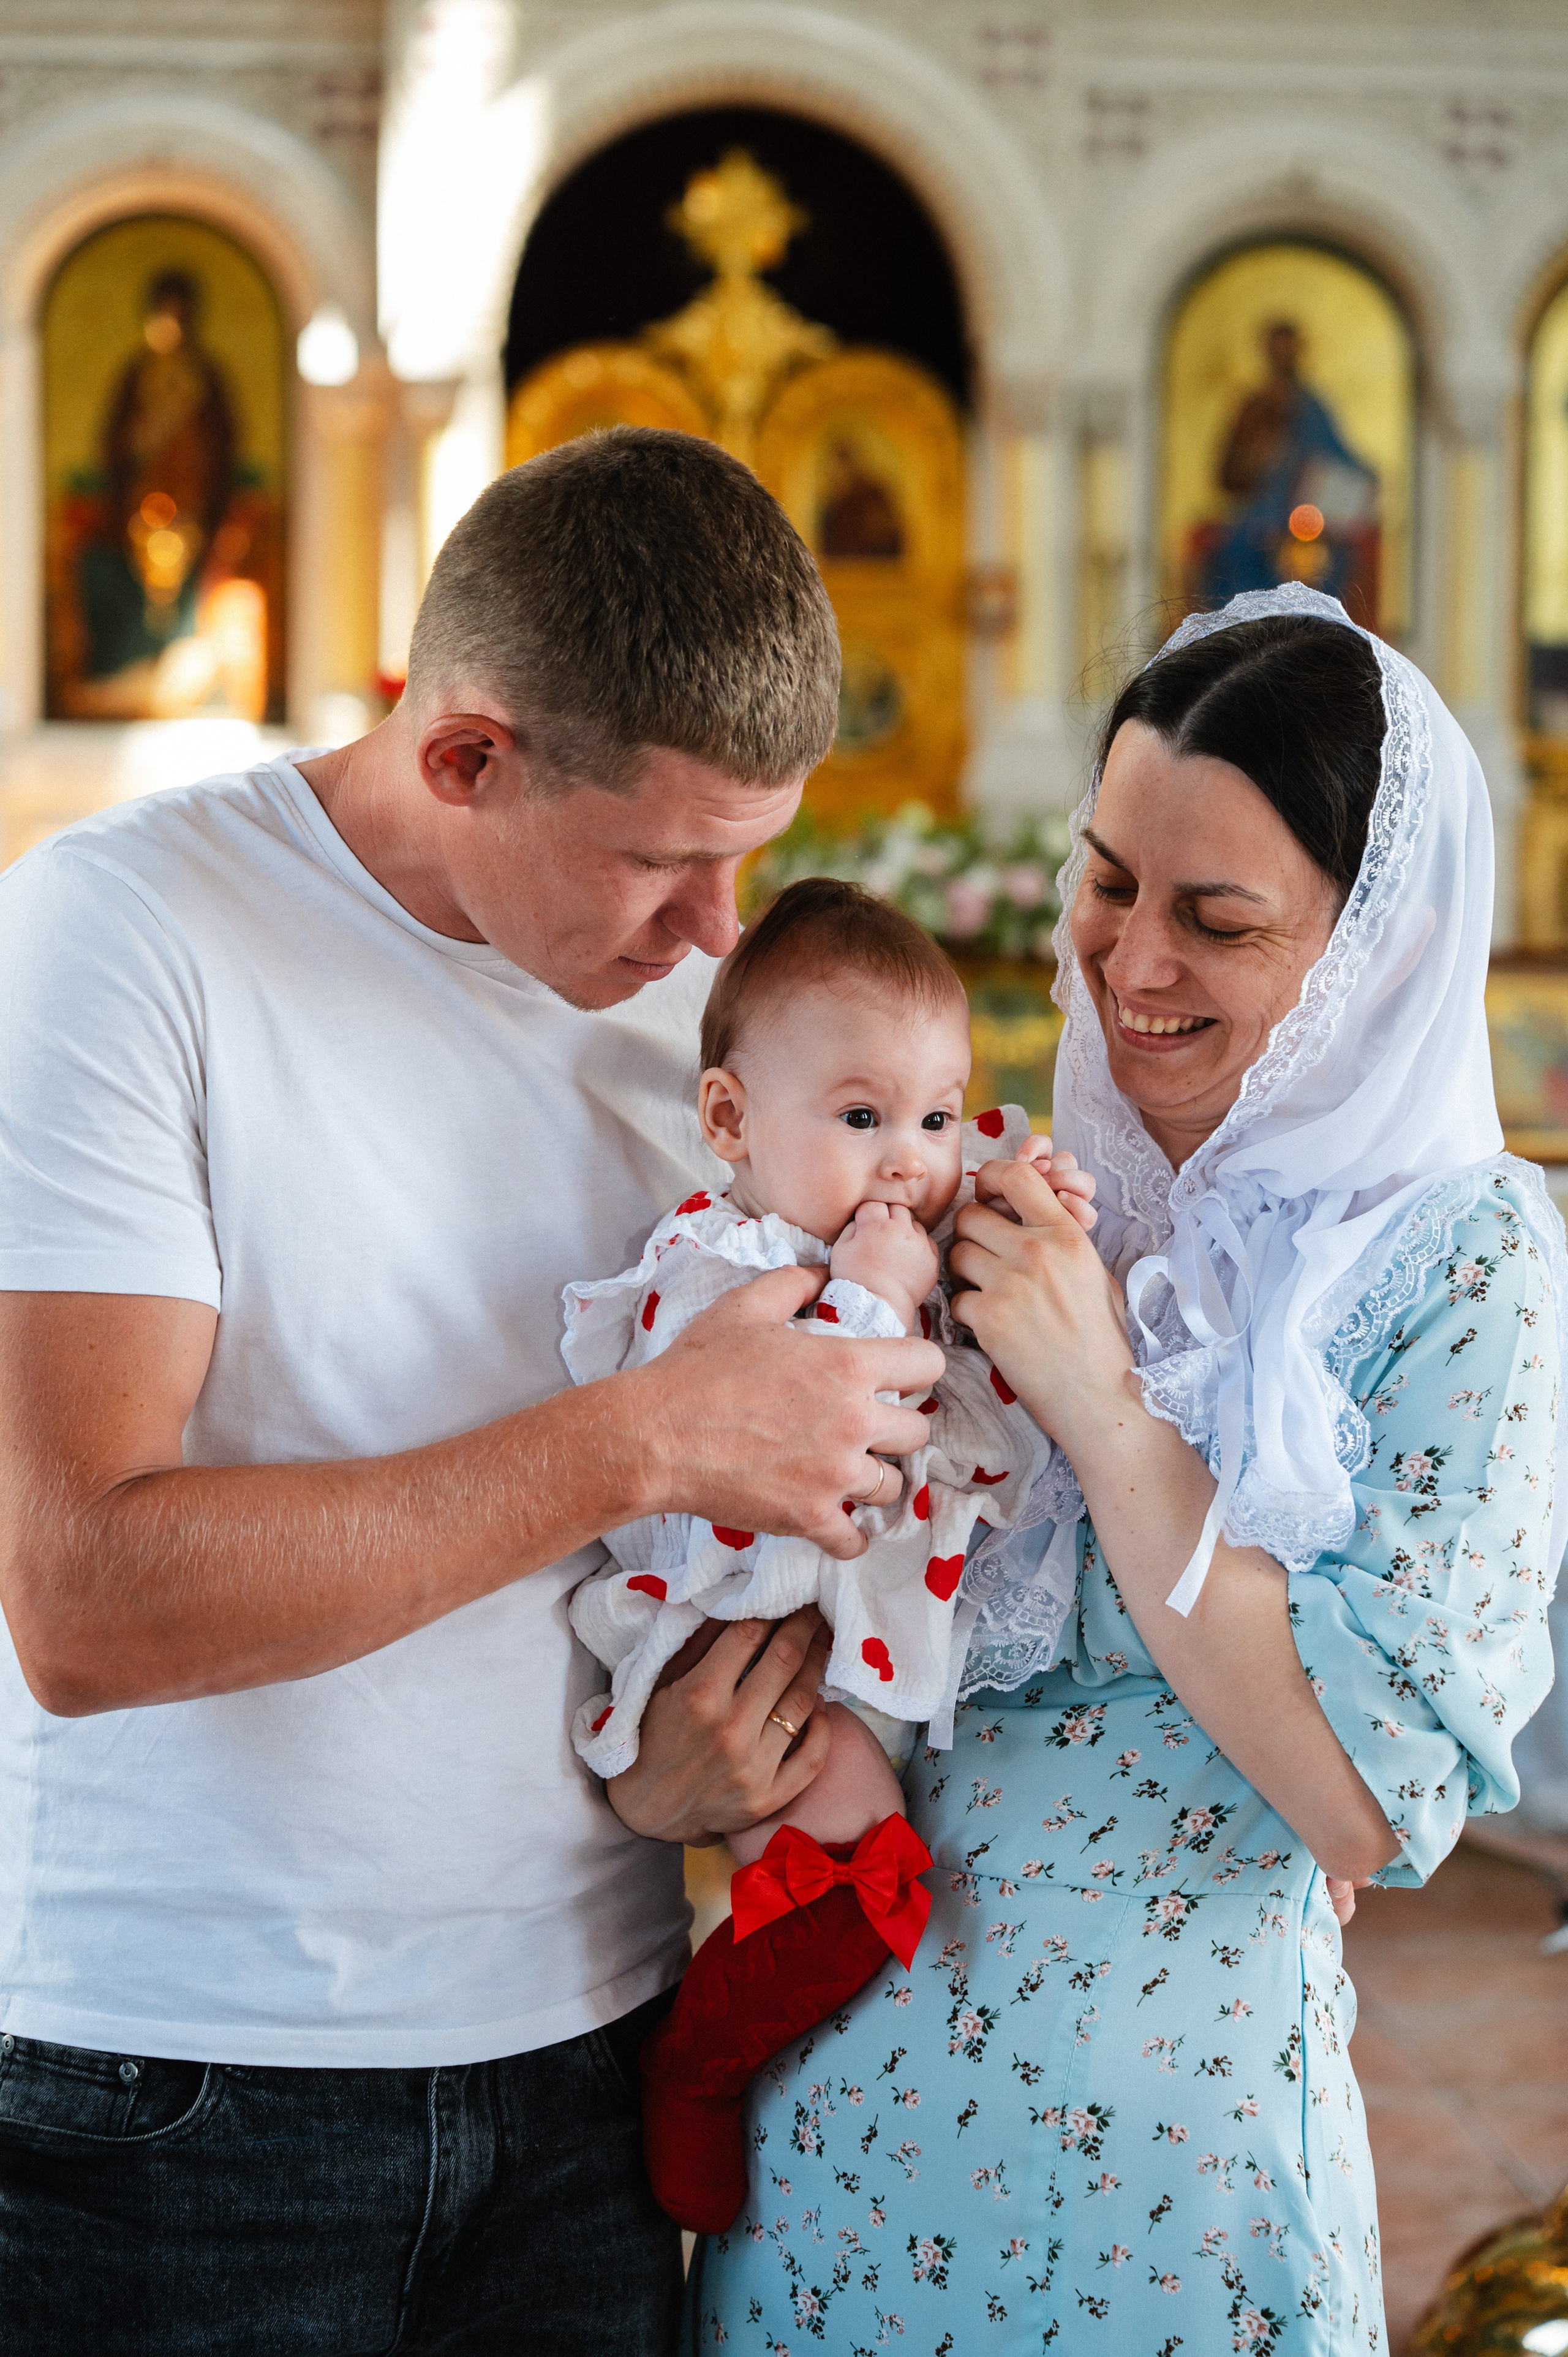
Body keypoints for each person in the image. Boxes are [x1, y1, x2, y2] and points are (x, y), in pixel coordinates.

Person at [0, 427, 948, 2357]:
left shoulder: (697, 1020)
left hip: (587, 2066)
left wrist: (663, 1783)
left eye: (749, 855)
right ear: (466, 756)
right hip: (179, 2092)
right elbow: (84, 1598)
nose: (717, 931)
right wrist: (652, 1428)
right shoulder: (126, 941)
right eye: (667, 860)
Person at [684, 585, 1567, 2354]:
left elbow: (1370, 1804)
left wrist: (1102, 1403)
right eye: (1108, 882)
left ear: (1373, 948)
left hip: (1174, 2198)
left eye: (1218, 922)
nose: (1129, 964)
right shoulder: (980, 1181)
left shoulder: (1467, 1265)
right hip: (839, 2154)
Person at [558, 879, 1095, 2232]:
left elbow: (967, 1397)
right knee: (856, 1843)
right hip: (728, 1630)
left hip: (845, 1629)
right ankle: (699, 2061)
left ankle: (751, 1996)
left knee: (882, 1850)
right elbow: (821, 1438)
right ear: (732, 1118)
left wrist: (1023, 1211)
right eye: (859, 1117)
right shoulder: (717, 1265)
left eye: (933, 1113)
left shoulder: (880, 1236)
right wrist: (885, 1289)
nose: (907, 1157)